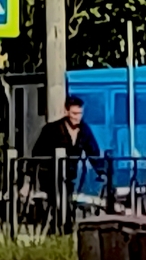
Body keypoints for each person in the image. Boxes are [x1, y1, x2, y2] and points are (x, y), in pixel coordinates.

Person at [29, 96, 103, 226]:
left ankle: (60, 227)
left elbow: (93, 151)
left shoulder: (84, 130)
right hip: (50, 174)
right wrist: (30, 176)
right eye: (74, 113)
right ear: (66, 112)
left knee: (65, 200)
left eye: (80, 113)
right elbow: (37, 153)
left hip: (69, 174)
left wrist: (102, 171)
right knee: (58, 201)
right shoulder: (51, 130)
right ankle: (61, 227)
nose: (77, 117)